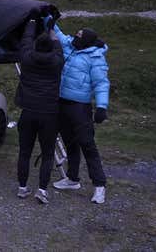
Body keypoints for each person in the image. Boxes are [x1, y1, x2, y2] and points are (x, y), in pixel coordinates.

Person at [49, 20, 110, 204]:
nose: (75, 38)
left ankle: (99, 186)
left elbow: (101, 83)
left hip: (80, 107)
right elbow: (58, 34)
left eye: (79, 37)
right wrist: (49, 20)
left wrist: (101, 107)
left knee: (87, 144)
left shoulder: (96, 57)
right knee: (70, 143)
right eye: (76, 35)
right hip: (61, 104)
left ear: (87, 41)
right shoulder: (71, 46)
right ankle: (72, 179)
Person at [15, 17, 63, 204]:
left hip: (28, 113)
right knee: (48, 154)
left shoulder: (27, 58)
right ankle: (42, 190)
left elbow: (26, 40)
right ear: (51, 48)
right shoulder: (57, 61)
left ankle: (22, 188)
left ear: (35, 46)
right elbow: (58, 43)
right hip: (49, 115)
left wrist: (31, 23)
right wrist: (50, 28)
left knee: (24, 152)